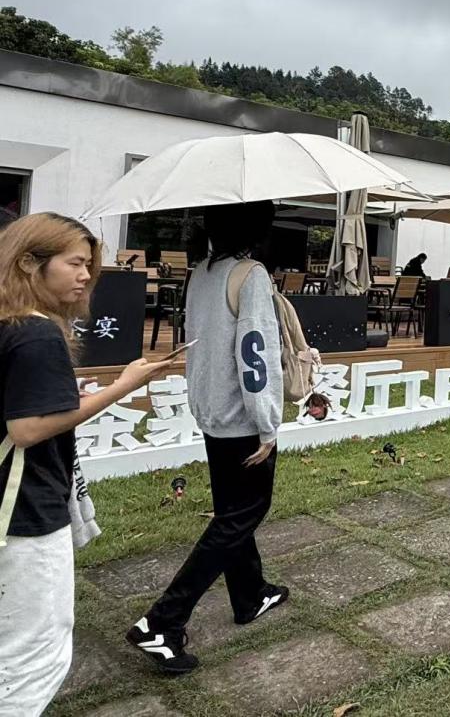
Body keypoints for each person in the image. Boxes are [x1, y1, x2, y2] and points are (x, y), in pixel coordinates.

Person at [0, 214, 171, 707]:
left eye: (89, 266)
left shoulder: (9, 323)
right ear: (29, 263)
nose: (85, 276)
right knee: (34, 655)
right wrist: (124, 386)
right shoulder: (37, 333)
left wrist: (67, 395)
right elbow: (27, 428)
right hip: (24, 509)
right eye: (75, 263)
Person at [128, 201, 287, 674]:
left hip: (211, 412)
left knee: (232, 511)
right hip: (242, 417)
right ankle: (162, 621)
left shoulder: (201, 272)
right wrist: (268, 423)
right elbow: (255, 354)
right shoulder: (251, 275)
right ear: (257, 229)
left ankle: (250, 594)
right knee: (243, 513)